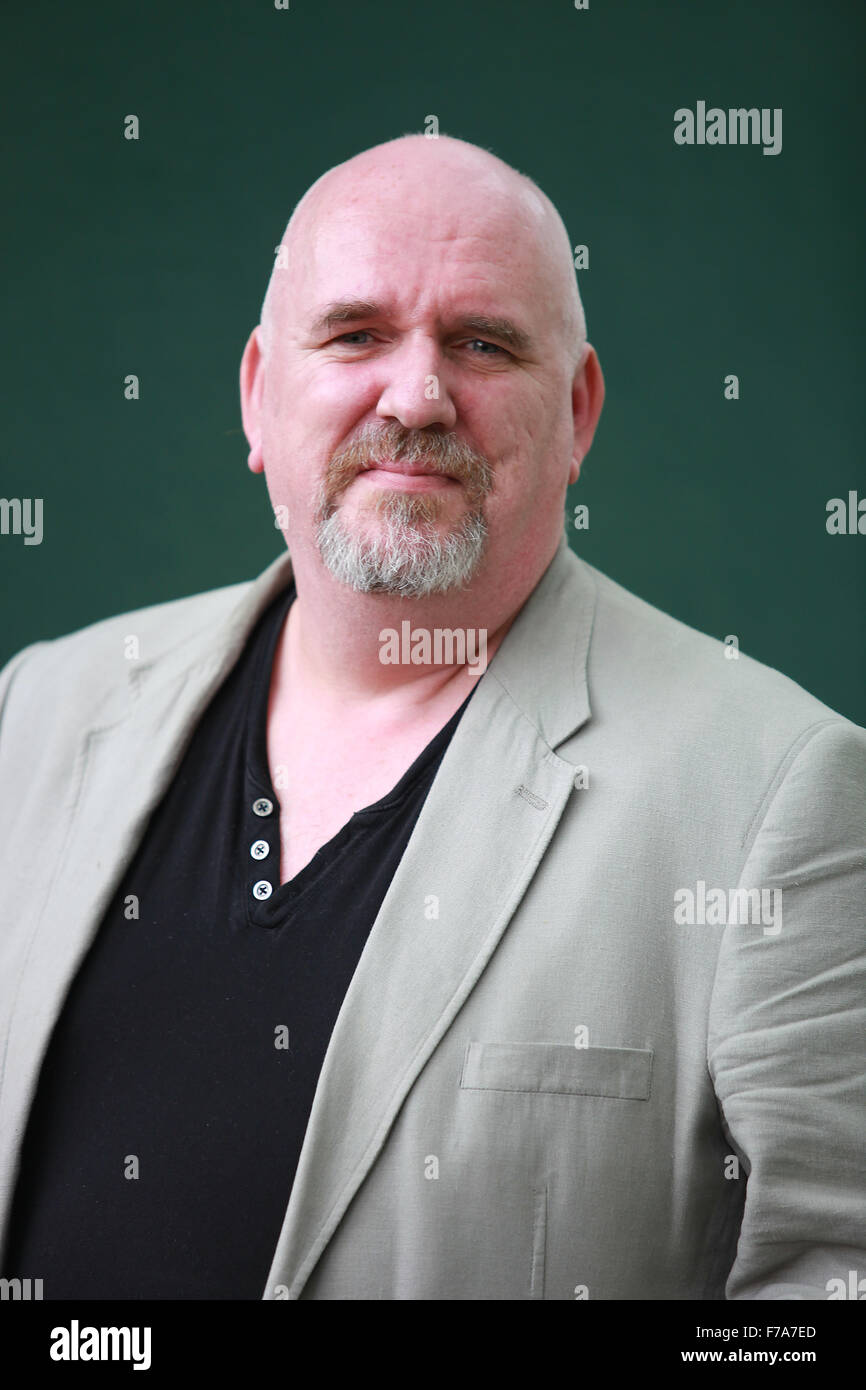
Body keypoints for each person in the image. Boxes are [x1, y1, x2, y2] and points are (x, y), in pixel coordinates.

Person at [0, 134, 863, 1302]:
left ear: (578, 414)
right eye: (355, 334)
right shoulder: (39, 708)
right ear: (258, 394)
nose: (414, 395)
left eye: (481, 343)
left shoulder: (779, 792)